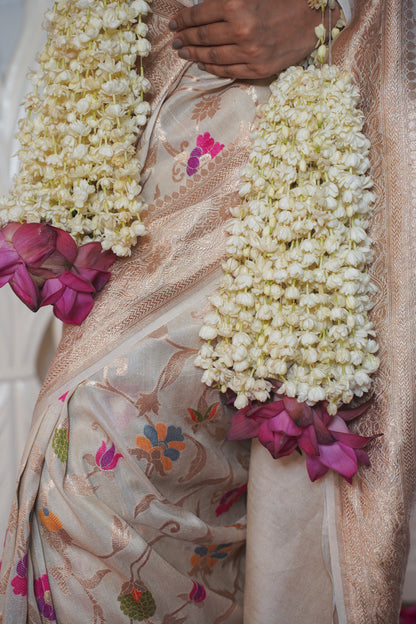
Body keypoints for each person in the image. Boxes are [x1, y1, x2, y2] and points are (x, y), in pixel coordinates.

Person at [0, 0, 414, 622]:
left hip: (306, 121)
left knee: (286, 488)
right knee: (88, 446)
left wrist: (334, 11)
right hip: (142, 113)